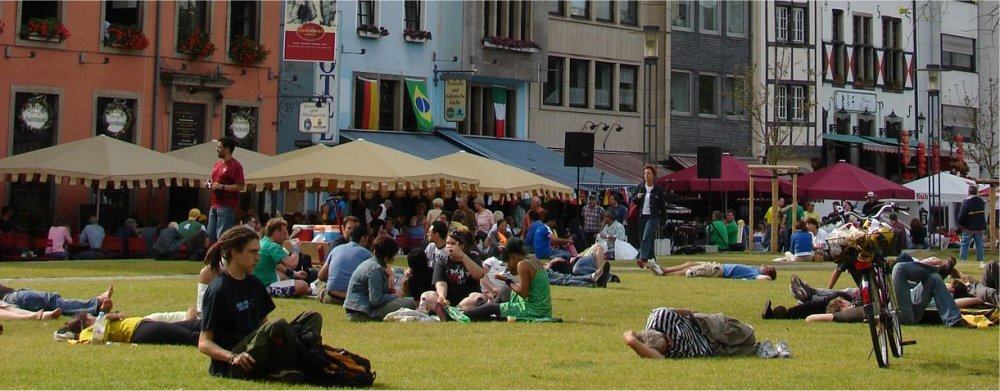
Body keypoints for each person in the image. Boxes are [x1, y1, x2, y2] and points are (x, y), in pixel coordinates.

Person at [622, 307, 770, 359]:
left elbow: (682, 311)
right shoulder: (653, 351)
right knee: (753, 349)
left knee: (749, 335)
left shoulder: (660, 317)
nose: (671, 345)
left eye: (667, 340)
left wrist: (695, 313)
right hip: (711, 350)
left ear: (659, 332)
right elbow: (659, 358)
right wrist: (631, 341)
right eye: (668, 347)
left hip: (705, 327)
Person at [464, 238, 554, 321]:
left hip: (534, 311)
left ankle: (461, 316)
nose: (509, 267)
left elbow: (523, 293)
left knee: (490, 308)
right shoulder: (533, 259)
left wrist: (507, 280)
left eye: (508, 262)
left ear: (512, 256)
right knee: (505, 292)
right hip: (544, 311)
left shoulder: (522, 264)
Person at [344, 235, 416, 321]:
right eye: (394, 253)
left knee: (408, 301)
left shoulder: (371, 263)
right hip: (364, 312)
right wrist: (395, 296)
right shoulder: (375, 270)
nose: (395, 256)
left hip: (357, 309)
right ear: (387, 254)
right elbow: (375, 300)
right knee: (412, 302)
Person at [892, 253, 966, 327]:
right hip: (897, 314)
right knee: (899, 268)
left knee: (934, 278)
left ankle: (954, 321)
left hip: (911, 306)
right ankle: (939, 269)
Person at [64, 311, 200, 345]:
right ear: (86, 321)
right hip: (139, 332)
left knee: (193, 325)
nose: (94, 317)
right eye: (91, 316)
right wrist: (104, 320)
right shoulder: (86, 332)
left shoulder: (98, 323)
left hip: (144, 326)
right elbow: (94, 342)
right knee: (189, 336)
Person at [253, 218, 310, 298]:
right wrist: (296, 248)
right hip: (265, 286)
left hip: (259, 282)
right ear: (276, 233)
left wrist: (293, 274)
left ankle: (309, 290)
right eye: (284, 233)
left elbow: (276, 265)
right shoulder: (273, 246)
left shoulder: (263, 242)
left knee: (285, 276)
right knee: (303, 285)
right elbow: (292, 264)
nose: (286, 237)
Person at [318, 224, 371, 304]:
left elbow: (321, 275)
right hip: (353, 299)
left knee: (320, 282)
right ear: (363, 238)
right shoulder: (367, 254)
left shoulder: (336, 249)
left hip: (331, 296)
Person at [206, 137, 246, 243]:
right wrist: (209, 184)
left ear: (227, 149)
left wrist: (222, 187)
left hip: (227, 206)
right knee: (210, 233)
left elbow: (241, 186)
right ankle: (216, 256)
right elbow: (215, 181)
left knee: (222, 235)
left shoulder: (235, 166)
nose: (217, 149)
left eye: (219, 147)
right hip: (215, 203)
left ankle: (221, 258)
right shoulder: (217, 164)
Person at [432, 229, 485, 307]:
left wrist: (462, 256)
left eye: (453, 244)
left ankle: (456, 311)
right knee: (427, 296)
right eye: (447, 243)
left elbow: (479, 275)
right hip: (448, 300)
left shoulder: (472, 257)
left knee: (478, 297)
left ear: (462, 245)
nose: (449, 246)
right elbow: (440, 282)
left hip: (468, 300)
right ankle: (448, 311)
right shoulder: (442, 260)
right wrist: (442, 296)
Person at [0, 283, 113, 316]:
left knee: (56, 305)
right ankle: (97, 303)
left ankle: (96, 308)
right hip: (14, 297)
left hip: (13, 298)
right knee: (55, 301)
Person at [633, 165, 665, 275]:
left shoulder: (658, 189)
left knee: (646, 237)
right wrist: (638, 197)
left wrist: (663, 220)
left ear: (654, 175)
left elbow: (662, 206)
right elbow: (634, 201)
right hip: (642, 216)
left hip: (653, 217)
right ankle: (653, 260)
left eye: (648, 173)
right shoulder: (641, 187)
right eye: (645, 173)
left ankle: (643, 259)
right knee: (647, 239)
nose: (646, 175)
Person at [957, 184, 987, 267]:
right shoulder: (981, 201)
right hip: (980, 226)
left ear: (968, 192)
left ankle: (963, 260)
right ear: (976, 192)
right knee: (979, 244)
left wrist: (960, 224)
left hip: (969, 227)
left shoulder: (966, 201)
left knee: (965, 244)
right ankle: (980, 261)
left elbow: (962, 214)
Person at [659, 262, 775, 281]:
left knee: (689, 271)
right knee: (690, 263)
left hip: (719, 270)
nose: (764, 265)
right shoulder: (754, 269)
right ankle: (664, 269)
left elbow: (767, 279)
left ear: (766, 272)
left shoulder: (755, 274)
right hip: (718, 265)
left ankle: (664, 274)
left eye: (767, 267)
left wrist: (766, 276)